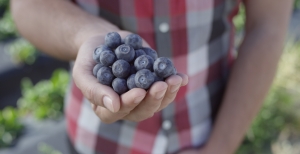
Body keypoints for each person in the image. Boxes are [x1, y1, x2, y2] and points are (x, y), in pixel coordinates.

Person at [10, 0, 293, 153]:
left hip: (207, 132)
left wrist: (219, 147)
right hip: (98, 141)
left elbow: (267, 24)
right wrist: (86, 34)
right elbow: (28, 4)